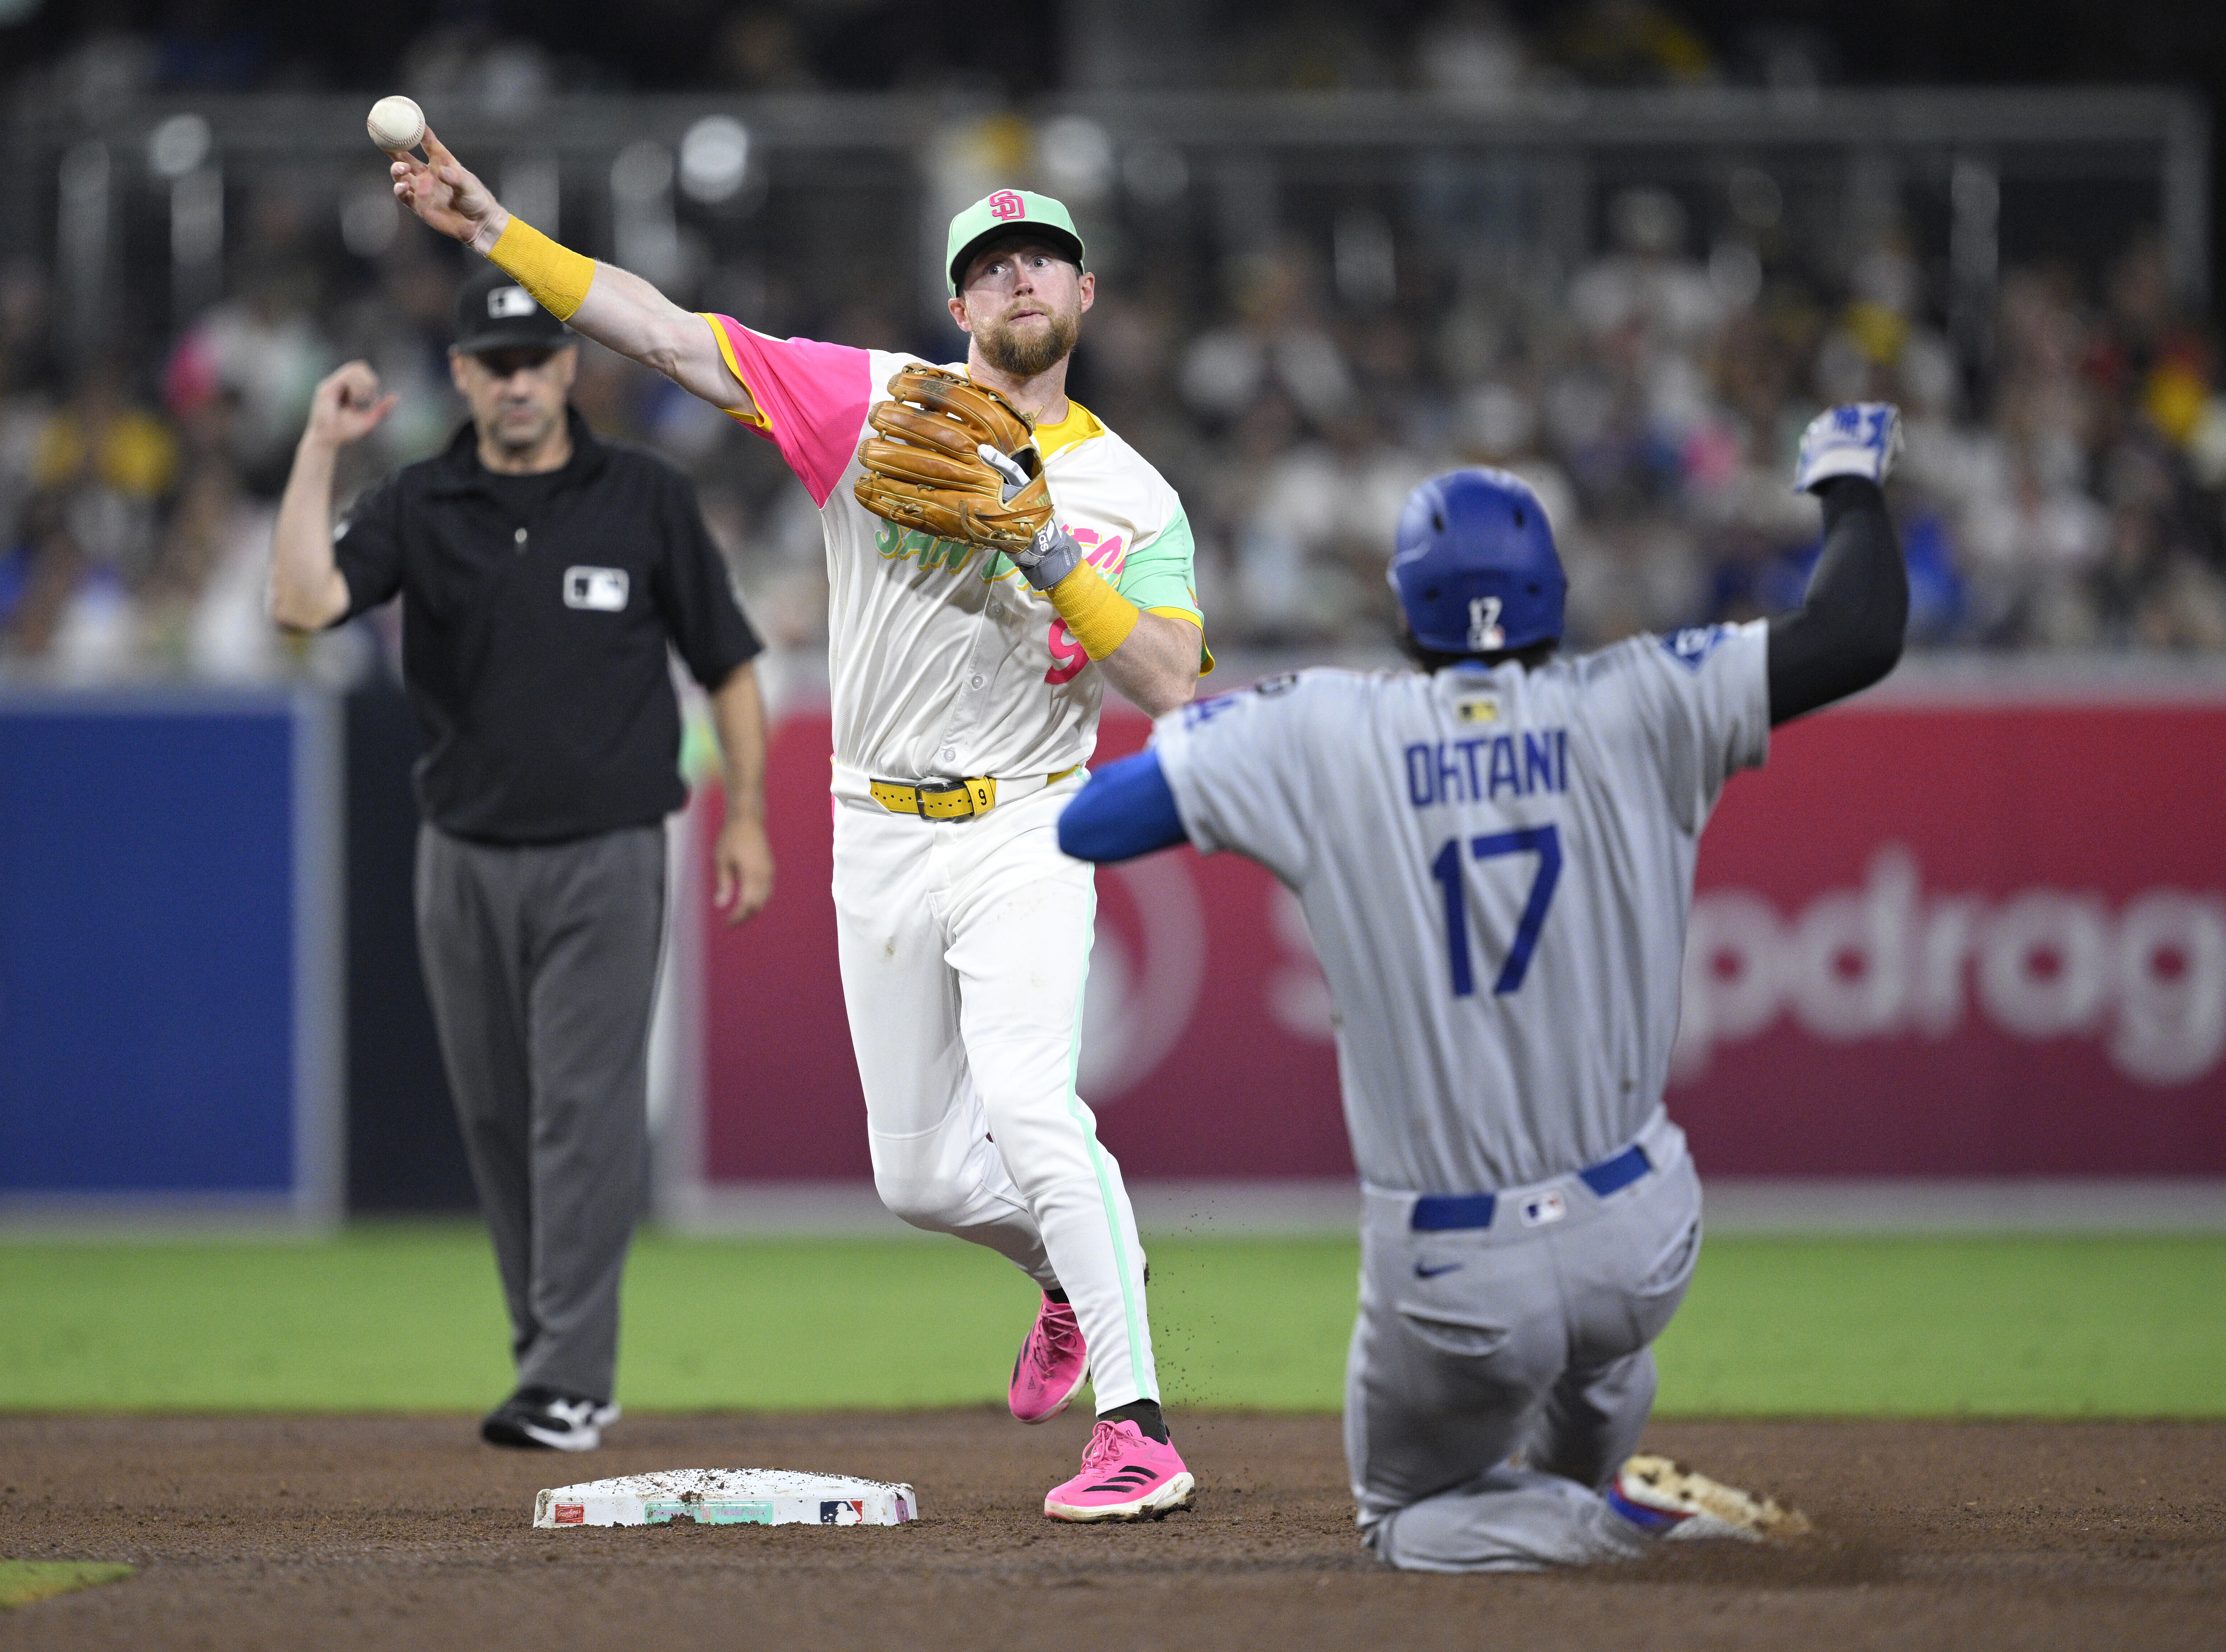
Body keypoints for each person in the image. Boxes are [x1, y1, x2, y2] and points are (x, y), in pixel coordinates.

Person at [386, 133, 1209, 1520]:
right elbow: (661, 335)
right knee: (918, 1175)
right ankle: (1075, 1272)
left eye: (1042, 260)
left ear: (1084, 294)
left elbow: (1171, 679)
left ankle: (1138, 1430)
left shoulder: (1134, 496)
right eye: (989, 266)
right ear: (958, 307)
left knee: (1026, 1103)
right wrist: (496, 233)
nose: (1018, 279)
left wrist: (1043, 545)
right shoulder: (874, 402)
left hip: (1025, 818)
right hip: (875, 825)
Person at [1058, 405, 1910, 1568]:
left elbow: (1091, 823)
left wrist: (1235, 758)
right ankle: (1600, 1481)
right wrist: (1847, 478)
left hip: (1455, 1274)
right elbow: (1856, 632)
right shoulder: (1646, 696)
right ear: (1553, 592)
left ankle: (1619, 1531)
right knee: (1597, 1343)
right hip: (1642, 1231)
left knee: (1409, 1515)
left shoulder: (1322, 728)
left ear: (1407, 606)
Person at [268, 268, 773, 1453]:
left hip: (607, 851)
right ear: (462, 377)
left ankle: (567, 1375)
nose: (516, 383)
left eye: (535, 361)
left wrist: (746, 811)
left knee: (580, 1114)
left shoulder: (642, 497)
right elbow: (300, 602)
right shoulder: (420, 500)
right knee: (499, 1118)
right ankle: (547, 1362)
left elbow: (731, 663)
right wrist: (316, 446)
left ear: (566, 369)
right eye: (493, 365)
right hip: (464, 854)